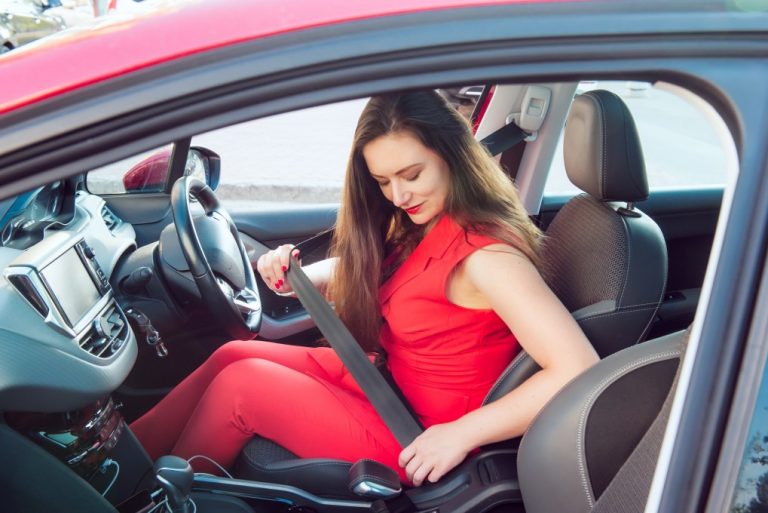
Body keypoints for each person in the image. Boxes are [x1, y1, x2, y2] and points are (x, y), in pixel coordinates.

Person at [130, 90, 598, 486]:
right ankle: (116, 465)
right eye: (383, 181)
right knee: (232, 355)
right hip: (387, 383)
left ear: (453, 156)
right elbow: (382, 272)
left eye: (412, 175)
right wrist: (296, 276)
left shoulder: (488, 256)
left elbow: (577, 368)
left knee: (242, 386)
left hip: (416, 429)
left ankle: (161, 499)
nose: (397, 195)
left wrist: (462, 434)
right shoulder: (425, 221)